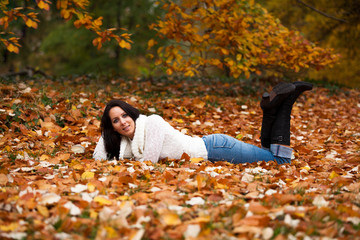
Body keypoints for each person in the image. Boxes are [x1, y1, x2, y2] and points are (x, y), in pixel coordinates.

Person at [93, 81, 313, 164]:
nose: (122, 122)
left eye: (124, 115)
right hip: (214, 146)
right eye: (115, 120)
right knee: (267, 152)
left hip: (217, 149)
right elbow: (98, 157)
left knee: (280, 161)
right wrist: (106, 135)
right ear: (111, 126)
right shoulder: (127, 142)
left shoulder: (152, 123)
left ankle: (287, 102)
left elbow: (148, 163)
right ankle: (269, 110)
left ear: (132, 114)